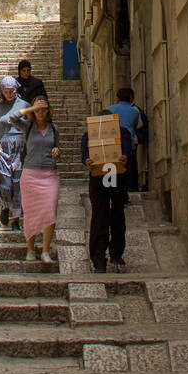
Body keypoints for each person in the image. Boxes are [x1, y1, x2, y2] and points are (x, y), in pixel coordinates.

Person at [81, 114, 134, 272]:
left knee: (113, 213)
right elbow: (84, 153)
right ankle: (101, 256)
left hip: (113, 175)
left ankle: (111, 254)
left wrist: (125, 157)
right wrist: (87, 161)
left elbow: (126, 149)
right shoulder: (91, 134)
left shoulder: (121, 132)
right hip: (104, 176)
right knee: (102, 214)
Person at [16, 95, 60, 265]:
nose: (41, 112)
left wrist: (57, 151)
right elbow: (12, 117)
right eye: (38, 109)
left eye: (43, 108)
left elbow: (56, 146)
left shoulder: (54, 129)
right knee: (30, 212)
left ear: (48, 110)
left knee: (50, 210)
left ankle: (45, 251)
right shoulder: (27, 126)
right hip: (30, 175)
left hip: (50, 174)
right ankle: (30, 249)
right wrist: (31, 109)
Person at [0, 75, 30, 230]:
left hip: (20, 149)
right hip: (3, 148)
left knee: (18, 184)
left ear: (16, 89)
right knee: (5, 183)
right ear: (1, 91)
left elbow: (29, 127)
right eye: (6, 92)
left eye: (12, 91)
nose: (9, 94)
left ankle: (16, 220)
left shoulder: (24, 105)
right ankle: (5, 207)